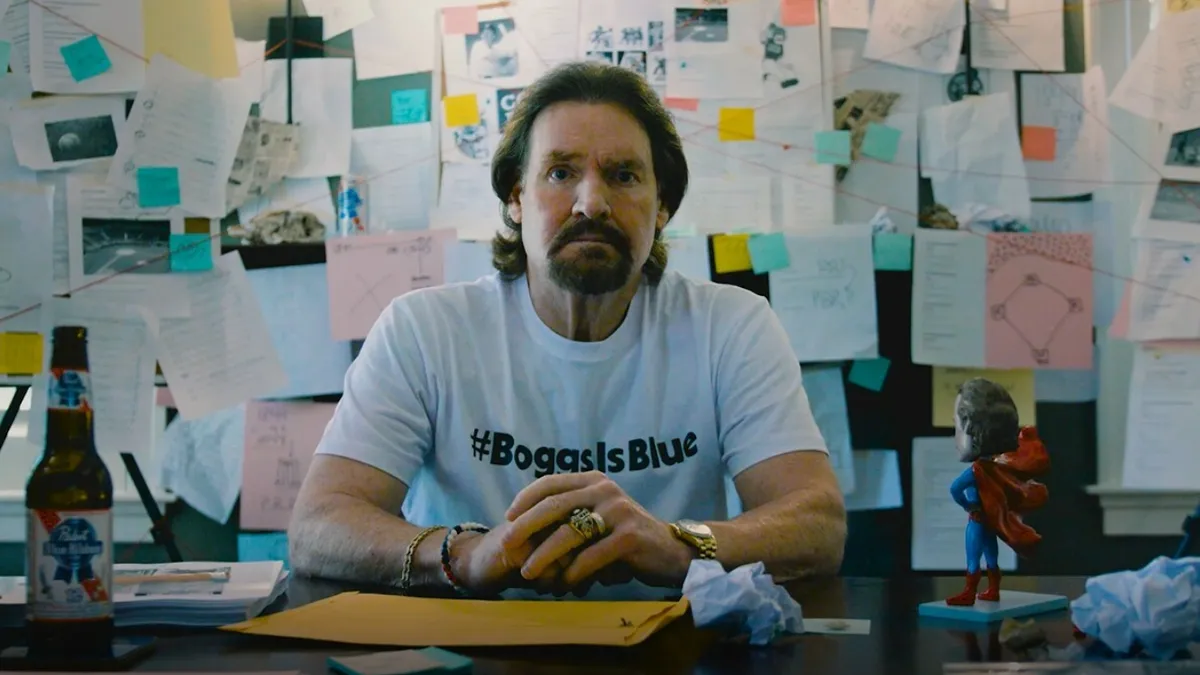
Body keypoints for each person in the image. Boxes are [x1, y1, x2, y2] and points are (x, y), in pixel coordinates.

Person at [289, 61, 846, 600]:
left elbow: (816, 523)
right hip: (462, 655)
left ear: (662, 208)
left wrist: (677, 546)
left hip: (668, 651)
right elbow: (320, 524)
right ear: (515, 197)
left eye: (624, 175)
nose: (592, 202)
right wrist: (467, 557)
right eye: (560, 172)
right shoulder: (424, 331)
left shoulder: (731, 327)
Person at [945, 378, 1050, 607]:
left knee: (974, 557)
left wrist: (967, 506)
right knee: (991, 556)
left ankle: (970, 591)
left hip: (977, 521)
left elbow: (954, 489)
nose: (954, 438)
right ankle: (992, 589)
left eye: (958, 427)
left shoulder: (977, 470)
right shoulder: (1002, 466)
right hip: (992, 522)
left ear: (976, 431)